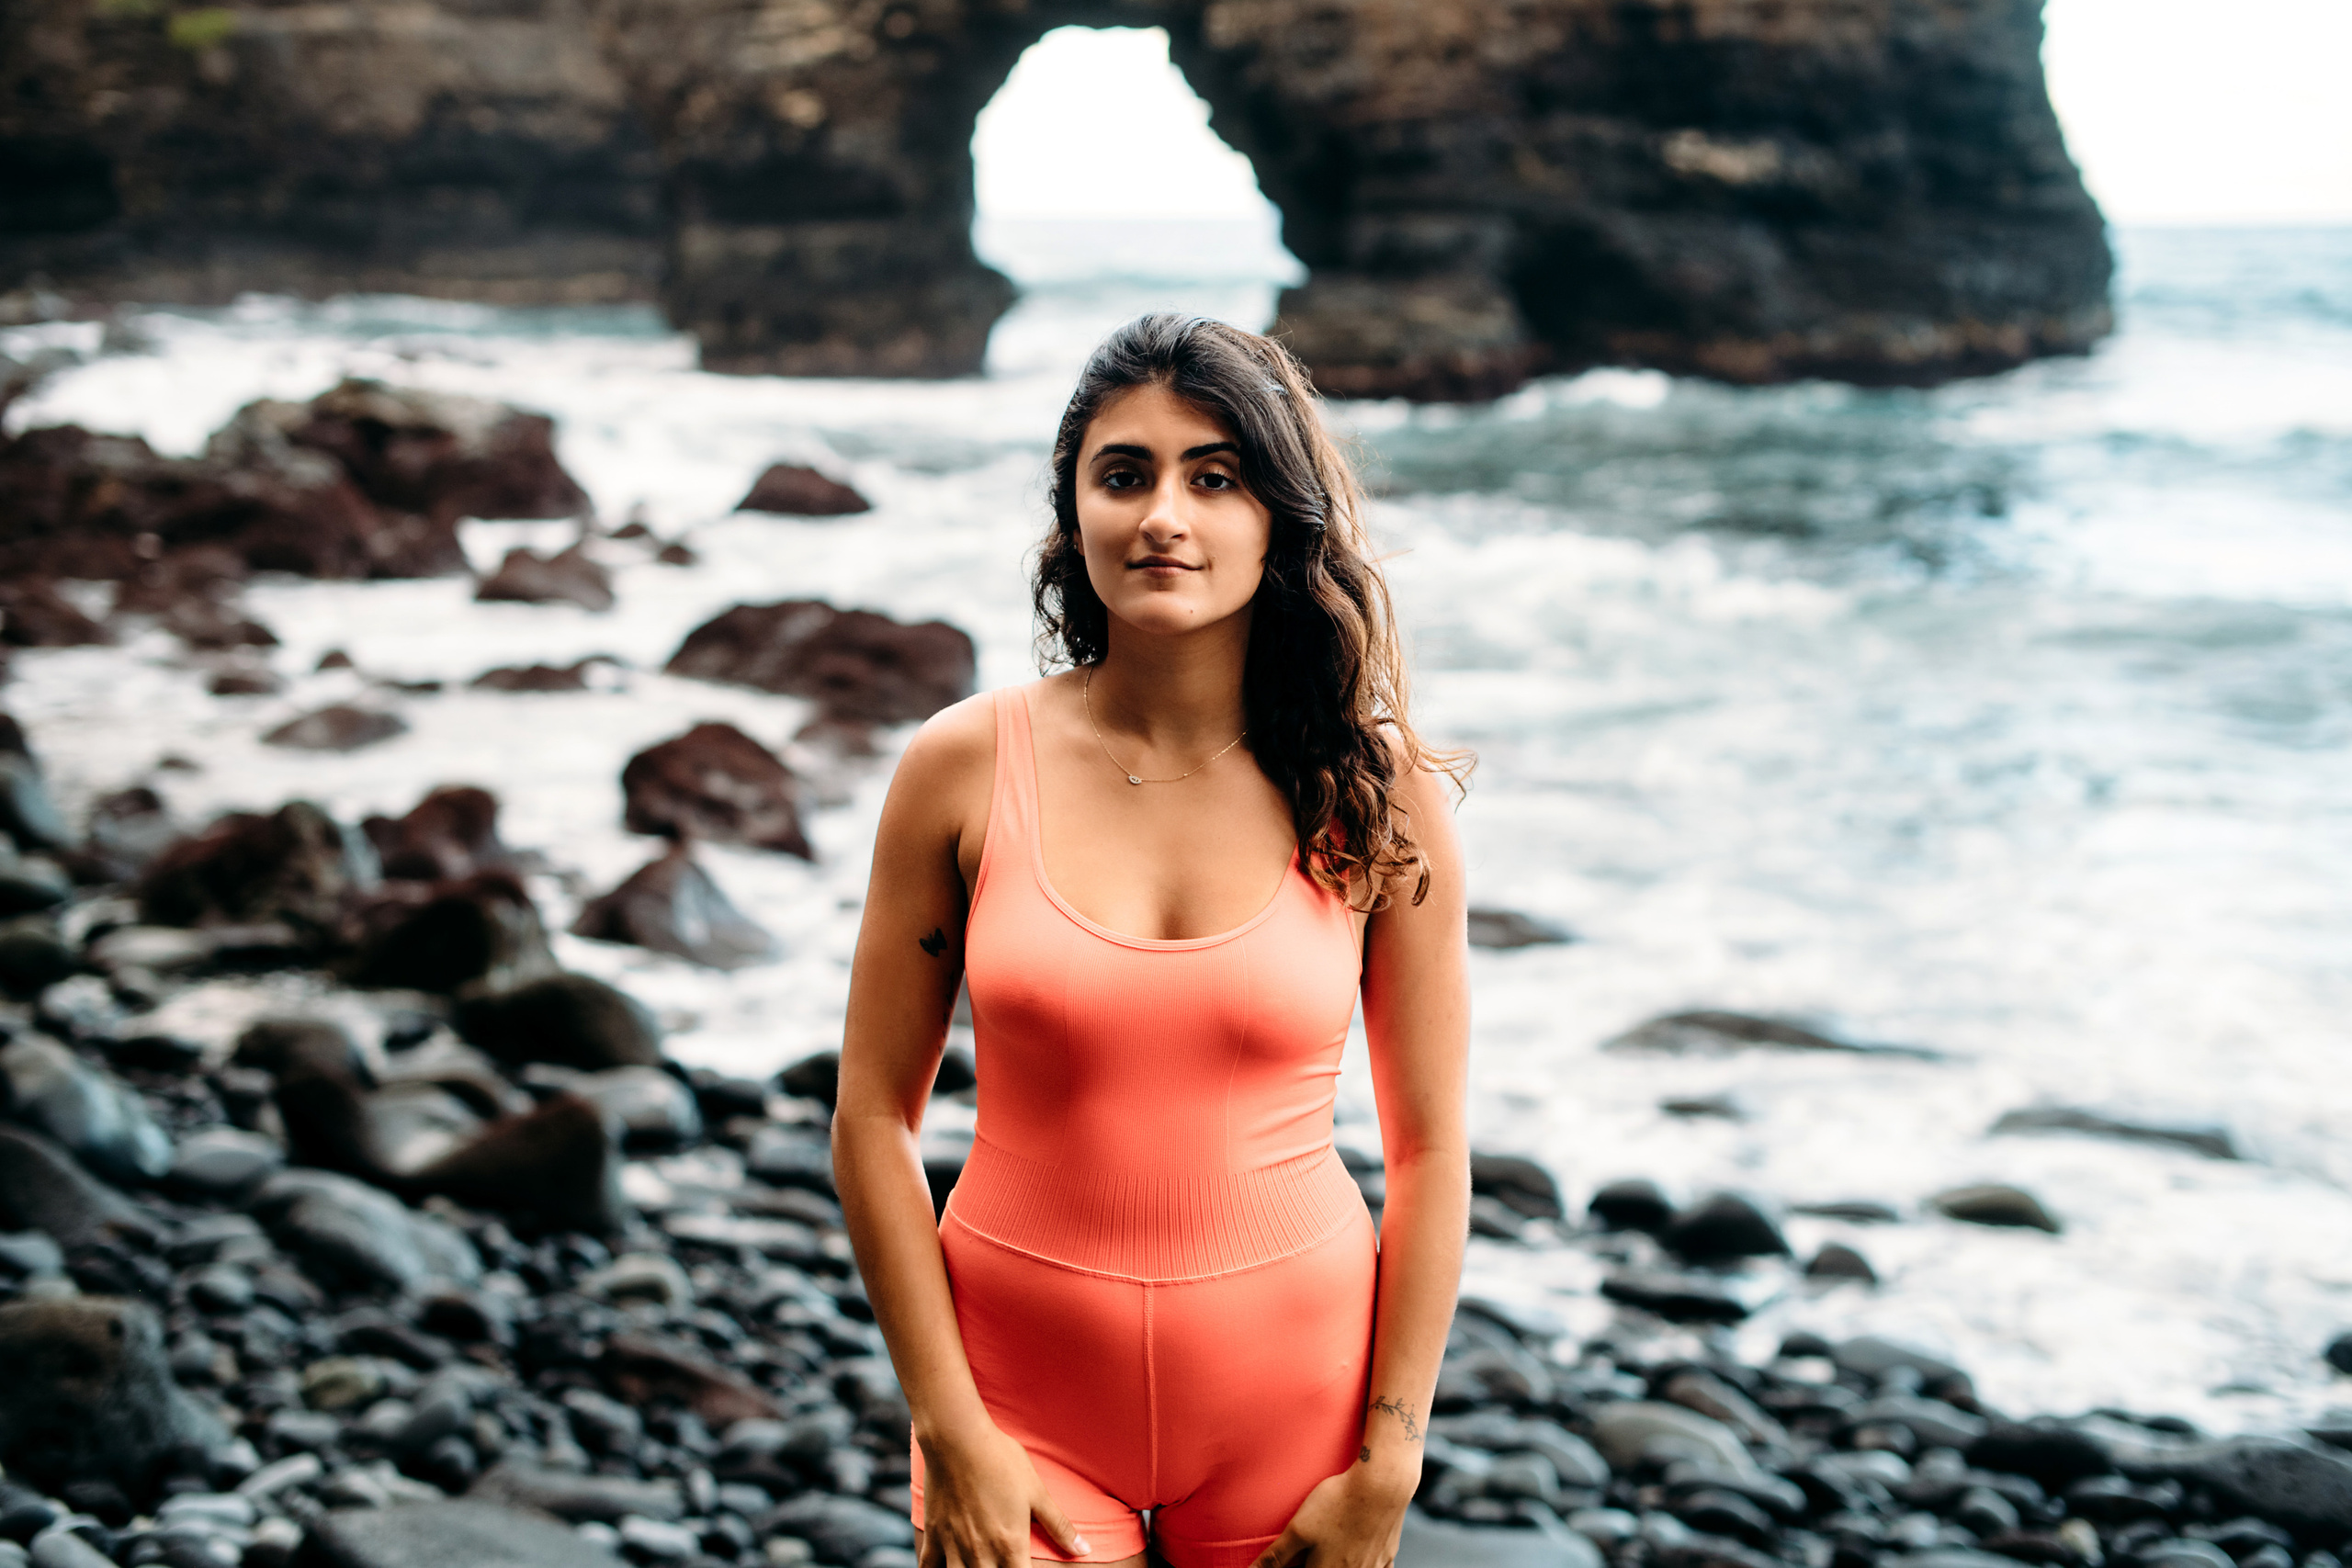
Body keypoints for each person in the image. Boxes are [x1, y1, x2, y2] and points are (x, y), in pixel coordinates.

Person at [833, 312, 1472, 1568]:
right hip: (1017, 1411)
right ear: (1073, 513)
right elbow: (868, 1121)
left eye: (1214, 477)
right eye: (1122, 475)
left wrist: (1389, 1461)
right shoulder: (962, 767)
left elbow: (1433, 1146)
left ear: (1276, 517)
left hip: (1299, 1416)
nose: (1162, 515)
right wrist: (948, 1427)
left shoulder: (1373, 793)